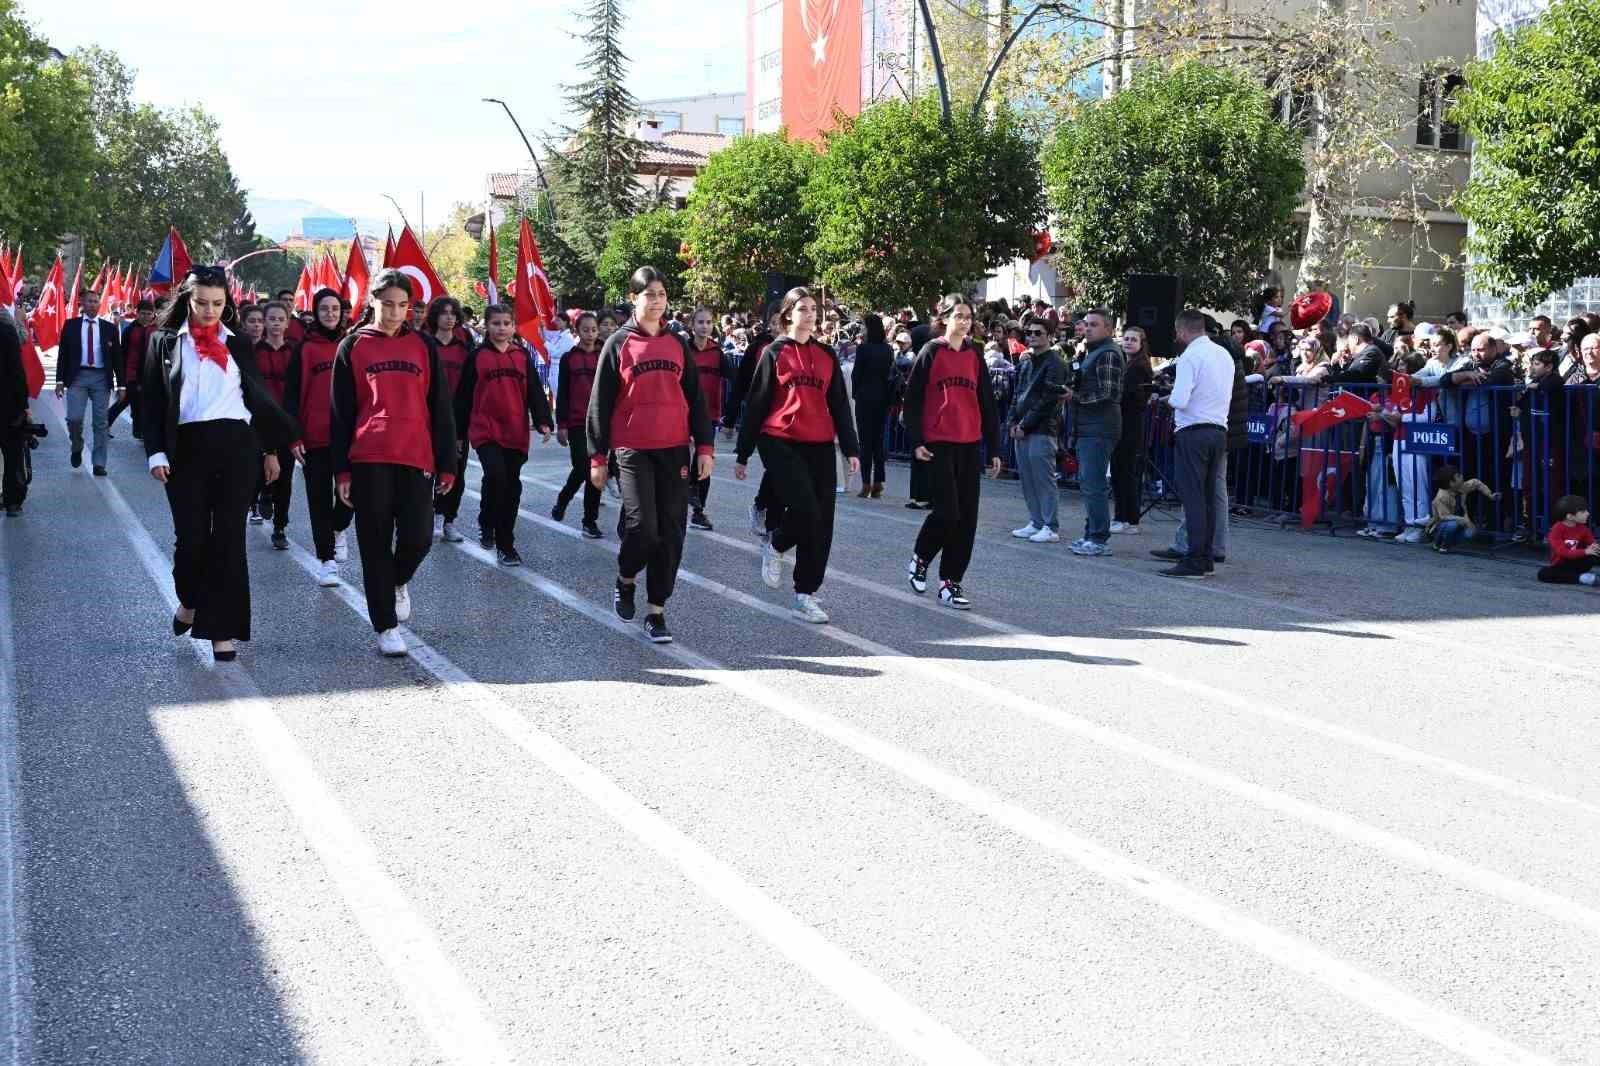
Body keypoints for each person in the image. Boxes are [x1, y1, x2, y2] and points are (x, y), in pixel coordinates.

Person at [142, 265, 299, 662]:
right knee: (192, 540)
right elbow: (153, 403)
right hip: (186, 450)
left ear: (227, 303)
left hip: (237, 448)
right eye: (201, 303)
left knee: (228, 540)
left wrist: (267, 451)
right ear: (187, 300)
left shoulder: (239, 343)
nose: (210, 310)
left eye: (217, 303)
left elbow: (255, 399)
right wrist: (155, 453)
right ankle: (190, 602)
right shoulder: (163, 341)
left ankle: (222, 632)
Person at [329, 269, 458, 657]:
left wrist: (447, 462)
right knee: (374, 544)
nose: (395, 312)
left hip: (416, 455)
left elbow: (440, 408)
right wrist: (342, 471)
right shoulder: (352, 347)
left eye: (403, 305)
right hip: (368, 457)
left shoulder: (423, 346)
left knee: (419, 537)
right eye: (388, 304)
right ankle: (385, 625)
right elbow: (340, 413)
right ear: (372, 302)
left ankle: (398, 580)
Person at [586, 266, 716, 644]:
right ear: (634, 298)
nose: (656, 301)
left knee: (672, 532)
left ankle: (656, 610)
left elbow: (695, 399)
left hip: (674, 449)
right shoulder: (618, 344)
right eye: (649, 294)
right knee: (643, 527)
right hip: (633, 450)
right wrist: (597, 458)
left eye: (661, 294)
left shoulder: (678, 343)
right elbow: (600, 403)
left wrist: (704, 447)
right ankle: (626, 578)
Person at [734, 287, 860, 622]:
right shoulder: (774, 352)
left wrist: (850, 449)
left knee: (822, 523)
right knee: (805, 508)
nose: (810, 315)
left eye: (814, 309)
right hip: (780, 441)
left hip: (819, 443)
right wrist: (743, 453)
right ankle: (775, 544)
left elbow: (839, 406)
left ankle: (806, 595)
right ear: (788, 313)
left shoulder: (827, 355)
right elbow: (757, 402)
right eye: (802, 308)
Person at [902, 293, 1002, 609]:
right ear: (944, 318)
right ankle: (920, 558)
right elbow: (913, 399)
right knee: (948, 512)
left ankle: (950, 583)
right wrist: (917, 440)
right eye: (959, 315)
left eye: (968, 317)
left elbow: (986, 400)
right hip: (938, 443)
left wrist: (994, 447)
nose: (964, 321)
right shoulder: (931, 352)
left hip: (969, 442)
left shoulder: (975, 354)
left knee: (967, 518)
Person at [454, 303, 553, 566]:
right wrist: (457, 433)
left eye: (506, 323)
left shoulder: (520, 356)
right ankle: (503, 542)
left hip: (515, 429)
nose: (501, 328)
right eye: (496, 323)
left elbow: (534, 389)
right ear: (487, 326)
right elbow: (463, 396)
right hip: (486, 429)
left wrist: (544, 420)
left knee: (511, 486)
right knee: (497, 477)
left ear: (513, 326)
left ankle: (490, 523)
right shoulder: (477, 357)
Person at [1156, 309, 1233, 578]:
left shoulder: (1190, 356)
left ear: (1182, 330)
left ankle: (1195, 558)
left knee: (1194, 498)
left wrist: (1167, 398)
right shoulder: (1223, 354)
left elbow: (1180, 400)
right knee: (1209, 497)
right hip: (1218, 430)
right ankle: (1206, 556)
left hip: (1193, 431)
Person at [283, 288, 353, 586]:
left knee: (352, 496)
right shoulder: (304, 348)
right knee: (318, 499)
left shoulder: (353, 344)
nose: (330, 313)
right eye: (324, 308)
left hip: (349, 436)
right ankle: (326, 559)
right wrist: (294, 435)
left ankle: (338, 529)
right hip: (315, 436)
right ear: (315, 311)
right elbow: (291, 395)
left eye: (335, 309)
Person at [1008, 317, 1067, 543]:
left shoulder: (1056, 363)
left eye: (1038, 333)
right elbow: (1017, 394)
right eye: (1029, 332)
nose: (1032, 336)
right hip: (1022, 427)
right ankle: (1036, 521)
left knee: (1044, 479)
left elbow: (1049, 399)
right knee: (1027, 478)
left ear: (1050, 336)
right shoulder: (1027, 362)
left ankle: (1050, 526)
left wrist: (1025, 424)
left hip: (1042, 429)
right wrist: (1012, 422)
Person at [55, 286, 123, 477]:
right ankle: (77, 445)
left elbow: (117, 358)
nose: (93, 305)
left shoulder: (109, 328)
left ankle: (99, 463)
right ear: (82, 304)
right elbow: (63, 355)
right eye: (90, 301)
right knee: (74, 418)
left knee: (100, 423)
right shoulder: (71, 326)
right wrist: (60, 380)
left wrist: (122, 384)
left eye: (96, 301)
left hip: (101, 378)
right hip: (77, 377)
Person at [426, 296, 473, 544]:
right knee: (427, 471)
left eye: (453, 313)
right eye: (444, 313)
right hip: (428, 418)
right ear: (435, 316)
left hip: (457, 420)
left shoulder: (465, 350)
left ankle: (448, 519)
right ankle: (431, 513)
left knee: (456, 471)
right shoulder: (425, 346)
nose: (449, 317)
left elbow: (470, 387)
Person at [552, 311, 604, 538]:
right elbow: (562, 394)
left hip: (600, 423)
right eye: (586, 330)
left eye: (594, 329)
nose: (590, 334)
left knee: (597, 472)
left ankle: (589, 521)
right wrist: (561, 424)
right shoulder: (568, 358)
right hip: (575, 422)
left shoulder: (605, 356)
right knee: (583, 467)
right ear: (577, 331)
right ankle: (564, 499)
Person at [253, 302, 297, 548]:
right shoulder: (255, 351)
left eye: (281, 319)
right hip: (261, 419)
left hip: (287, 420)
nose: (276, 323)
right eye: (272, 319)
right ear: (265, 321)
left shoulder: (295, 351)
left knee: (286, 476)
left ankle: (280, 526)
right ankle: (263, 493)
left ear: (287, 322)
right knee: (261, 469)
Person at [687, 307, 732, 530]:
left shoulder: (717, 352)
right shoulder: (684, 350)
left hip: (709, 414)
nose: (705, 326)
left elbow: (734, 378)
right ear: (692, 325)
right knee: (681, 459)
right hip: (684, 413)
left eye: (708, 322)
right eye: (701, 322)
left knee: (705, 462)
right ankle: (684, 492)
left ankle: (698, 510)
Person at [1111, 326, 1154, 535]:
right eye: (1126, 338)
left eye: (1133, 340)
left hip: (1130, 424)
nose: (1128, 342)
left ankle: (1126, 518)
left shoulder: (1139, 367)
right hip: (1123, 422)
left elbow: (1129, 396)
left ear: (1141, 343)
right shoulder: (1128, 364)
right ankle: (1125, 517)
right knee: (1120, 471)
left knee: (1125, 471)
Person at [849, 313, 894, 499]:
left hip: (865, 398)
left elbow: (856, 374)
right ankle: (879, 482)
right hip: (883, 398)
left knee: (865, 442)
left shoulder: (863, 349)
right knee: (878, 441)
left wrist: (856, 394)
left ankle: (866, 482)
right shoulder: (888, 349)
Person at [107, 298, 157, 439]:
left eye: (149, 313)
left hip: (150, 373)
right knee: (130, 400)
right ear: (137, 313)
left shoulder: (157, 329)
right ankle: (136, 431)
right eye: (143, 313)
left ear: (153, 314)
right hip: (132, 373)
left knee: (139, 402)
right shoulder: (129, 330)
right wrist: (121, 377)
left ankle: (138, 431)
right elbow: (123, 353)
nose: (146, 316)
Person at [1425, 463, 1499, 552]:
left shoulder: (1461, 487)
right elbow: (1444, 517)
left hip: (1459, 523)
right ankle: (1439, 543)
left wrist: (1490, 495)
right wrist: (1464, 520)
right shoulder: (1441, 497)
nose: (1462, 476)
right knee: (1452, 524)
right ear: (1451, 483)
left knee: (1470, 534)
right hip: (1441, 526)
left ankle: (1450, 542)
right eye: (1458, 476)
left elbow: (1476, 483)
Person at [0, 309, 29, 517]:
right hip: (7, 405)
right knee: (12, 455)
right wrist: (24, 405)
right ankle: (12, 501)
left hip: (7, 404)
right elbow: (17, 372)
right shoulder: (6, 331)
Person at [1536, 496, 1600, 584]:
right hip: (1563, 565)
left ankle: (1580, 576)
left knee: (1595, 553)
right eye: (1583, 511)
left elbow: (1592, 543)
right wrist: (1585, 551)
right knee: (1543, 573)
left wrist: (1595, 547)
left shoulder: (1583, 528)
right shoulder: (1557, 529)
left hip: (1580, 562)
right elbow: (1562, 552)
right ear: (1570, 516)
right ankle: (1581, 578)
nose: (1587, 513)